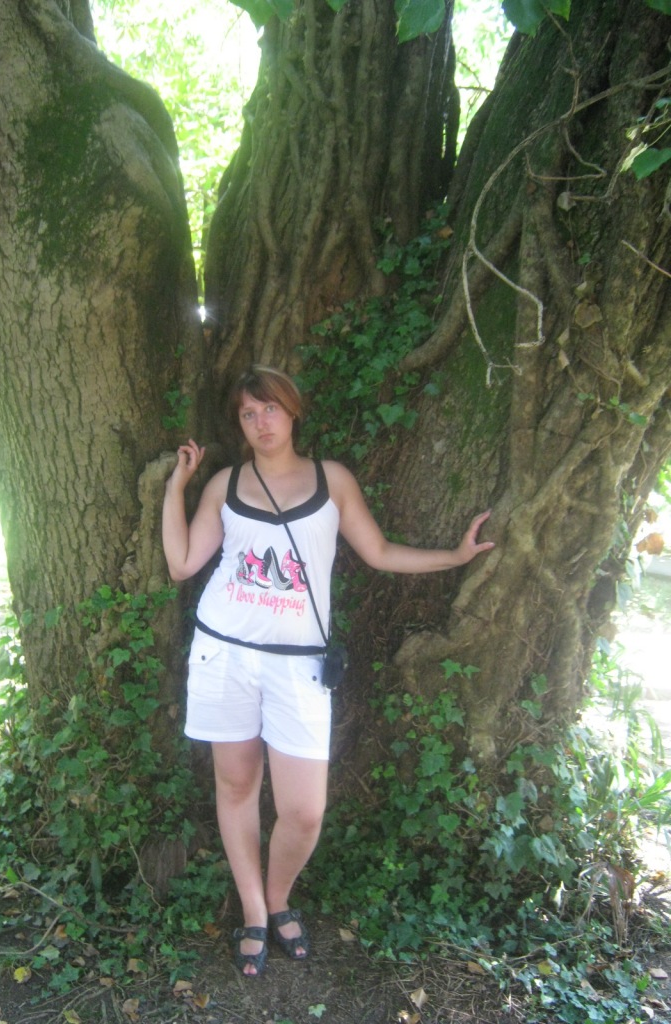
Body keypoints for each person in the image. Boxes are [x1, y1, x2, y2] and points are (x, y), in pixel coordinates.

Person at [161, 365, 494, 977]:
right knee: (236, 787)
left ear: (292, 411)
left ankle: (280, 894)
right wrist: (176, 487)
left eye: (270, 409)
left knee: (304, 810)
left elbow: (379, 552)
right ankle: (255, 909)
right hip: (224, 653)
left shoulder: (331, 480)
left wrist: (454, 556)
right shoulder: (225, 485)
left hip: (298, 668)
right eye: (248, 414)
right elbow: (183, 564)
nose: (261, 422)